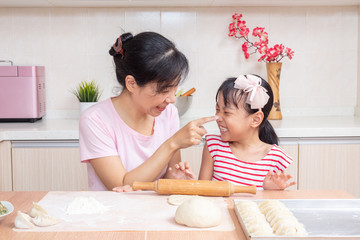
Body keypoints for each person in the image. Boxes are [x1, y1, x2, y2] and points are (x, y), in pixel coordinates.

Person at [79, 31, 216, 191]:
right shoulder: (95, 119)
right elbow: (120, 186)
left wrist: (175, 179)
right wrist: (172, 143)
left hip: (153, 212)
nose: (172, 99)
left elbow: (166, 180)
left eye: (174, 89)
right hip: (112, 212)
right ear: (131, 84)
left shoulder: (168, 113)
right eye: (164, 90)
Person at [198, 74, 296, 190]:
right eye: (217, 110)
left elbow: (273, 205)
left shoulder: (275, 157)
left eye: (227, 112)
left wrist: (271, 191)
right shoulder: (213, 145)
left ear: (255, 119)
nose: (218, 118)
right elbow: (202, 195)